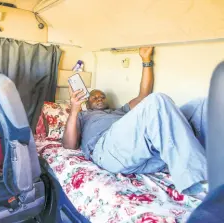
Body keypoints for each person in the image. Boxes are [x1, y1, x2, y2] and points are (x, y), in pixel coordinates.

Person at [63, 47, 207, 196]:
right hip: (108, 151)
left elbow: (143, 95)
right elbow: (69, 145)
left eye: (102, 96)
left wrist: (146, 60)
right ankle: (197, 180)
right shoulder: (83, 115)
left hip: (148, 156)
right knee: (158, 101)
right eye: (94, 97)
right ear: (87, 104)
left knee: (202, 105)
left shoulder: (120, 111)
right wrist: (74, 109)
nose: (99, 98)